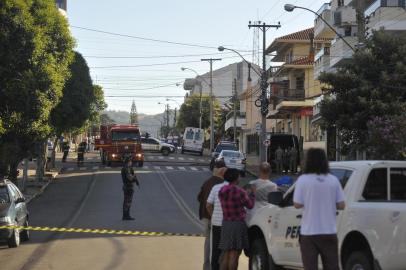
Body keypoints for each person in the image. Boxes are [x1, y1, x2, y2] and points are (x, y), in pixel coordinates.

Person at [293, 148, 345, 270]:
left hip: (309, 233)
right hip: (329, 232)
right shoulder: (333, 180)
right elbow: (342, 205)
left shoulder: (303, 180)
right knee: (332, 266)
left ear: (308, 161)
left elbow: (297, 204)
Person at [218, 168, 255, 270]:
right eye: (238, 176)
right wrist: (252, 194)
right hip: (237, 224)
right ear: (235, 178)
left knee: (226, 253)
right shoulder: (240, 191)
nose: (240, 177)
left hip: (226, 223)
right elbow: (250, 205)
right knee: (234, 254)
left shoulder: (222, 190)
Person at [197, 159, 227, 270]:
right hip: (217, 219)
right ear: (222, 171)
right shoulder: (223, 185)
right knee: (218, 244)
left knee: (208, 242)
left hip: (205, 216)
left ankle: (206, 267)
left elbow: (199, 198)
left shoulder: (207, 182)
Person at [206, 167, 229, 270]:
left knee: (215, 250)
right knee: (228, 251)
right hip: (229, 224)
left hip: (217, 224)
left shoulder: (216, 188)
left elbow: (208, 205)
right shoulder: (235, 188)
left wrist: (213, 216)